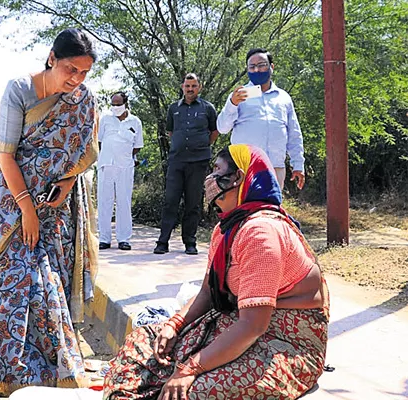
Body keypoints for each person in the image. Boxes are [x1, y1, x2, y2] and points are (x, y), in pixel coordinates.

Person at [103, 144, 330, 400]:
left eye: (218, 171)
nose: (210, 180)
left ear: (239, 178)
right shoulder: (227, 228)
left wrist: (191, 368)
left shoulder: (262, 231)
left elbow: (254, 325)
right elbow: (208, 292)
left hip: (285, 343)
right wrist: (173, 326)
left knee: (194, 391)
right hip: (236, 325)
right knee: (143, 344)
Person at [0, 28, 99, 396]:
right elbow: (5, 155)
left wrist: (65, 184)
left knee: (51, 285)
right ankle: (8, 371)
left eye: (83, 73)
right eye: (70, 69)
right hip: (10, 206)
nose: (75, 79)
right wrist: (27, 210)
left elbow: (84, 152)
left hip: (55, 206)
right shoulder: (19, 90)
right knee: (14, 285)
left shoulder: (83, 99)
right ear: (51, 58)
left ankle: (52, 369)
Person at [217, 48, 306, 191]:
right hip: (245, 168)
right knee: (245, 210)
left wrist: (298, 165)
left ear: (272, 67)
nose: (257, 70)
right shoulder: (240, 95)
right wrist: (232, 104)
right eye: (252, 67)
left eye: (262, 65)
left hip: (275, 167)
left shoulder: (283, 97)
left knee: (272, 210)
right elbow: (222, 128)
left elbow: (294, 135)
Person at [154, 73, 219, 256]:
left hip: (198, 162)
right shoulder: (173, 108)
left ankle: (190, 242)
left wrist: (202, 145)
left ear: (200, 87)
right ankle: (163, 241)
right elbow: (171, 132)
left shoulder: (208, 108)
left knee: (193, 203)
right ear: (182, 87)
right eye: (187, 86)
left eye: (194, 86)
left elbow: (214, 132)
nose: (190, 89)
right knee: (170, 201)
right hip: (177, 161)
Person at [97, 91, 144, 251]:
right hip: (106, 165)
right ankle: (104, 238)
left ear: (125, 104)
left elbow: (137, 146)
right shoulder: (105, 119)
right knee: (104, 202)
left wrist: (123, 155)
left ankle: (124, 239)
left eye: (118, 104)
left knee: (124, 202)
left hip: (125, 166)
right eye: (113, 104)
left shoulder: (135, 121)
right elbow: (100, 141)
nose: (115, 107)